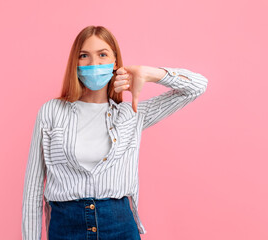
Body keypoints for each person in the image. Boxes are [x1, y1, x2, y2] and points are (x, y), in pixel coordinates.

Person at [22, 25, 208, 240]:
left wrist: (147, 73)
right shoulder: (52, 111)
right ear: (75, 62)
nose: (94, 63)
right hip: (66, 228)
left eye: (103, 54)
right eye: (84, 56)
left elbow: (196, 86)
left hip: (119, 227)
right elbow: (33, 190)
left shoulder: (131, 114)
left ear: (115, 62)